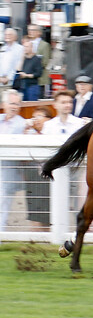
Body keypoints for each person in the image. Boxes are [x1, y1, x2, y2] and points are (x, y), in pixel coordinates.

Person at [0, 90, 26, 231]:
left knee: (3, 204)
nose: (14, 107)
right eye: (11, 103)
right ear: (4, 104)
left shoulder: (22, 124)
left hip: (8, 172)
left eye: (17, 104)